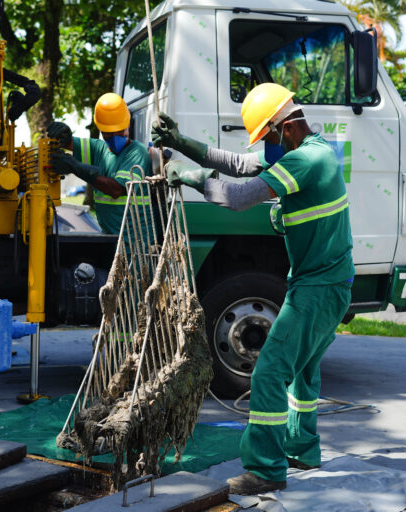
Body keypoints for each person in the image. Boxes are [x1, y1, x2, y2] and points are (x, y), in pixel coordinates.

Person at [152, 82, 354, 495]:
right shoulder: (304, 149)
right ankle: (302, 449)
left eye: (266, 137)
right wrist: (181, 142)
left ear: (284, 128)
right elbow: (239, 163)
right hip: (322, 282)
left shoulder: (307, 161)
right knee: (302, 373)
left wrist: (192, 178)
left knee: (268, 373)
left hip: (320, 287)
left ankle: (265, 470)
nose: (264, 146)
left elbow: (238, 195)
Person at [48, 93, 152, 235]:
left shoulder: (137, 153)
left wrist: (75, 167)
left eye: (120, 131)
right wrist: (63, 135)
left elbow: (115, 190)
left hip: (135, 245)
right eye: (110, 133)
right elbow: (69, 143)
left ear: (127, 125)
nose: (116, 137)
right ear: (101, 130)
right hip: (111, 239)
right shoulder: (99, 149)